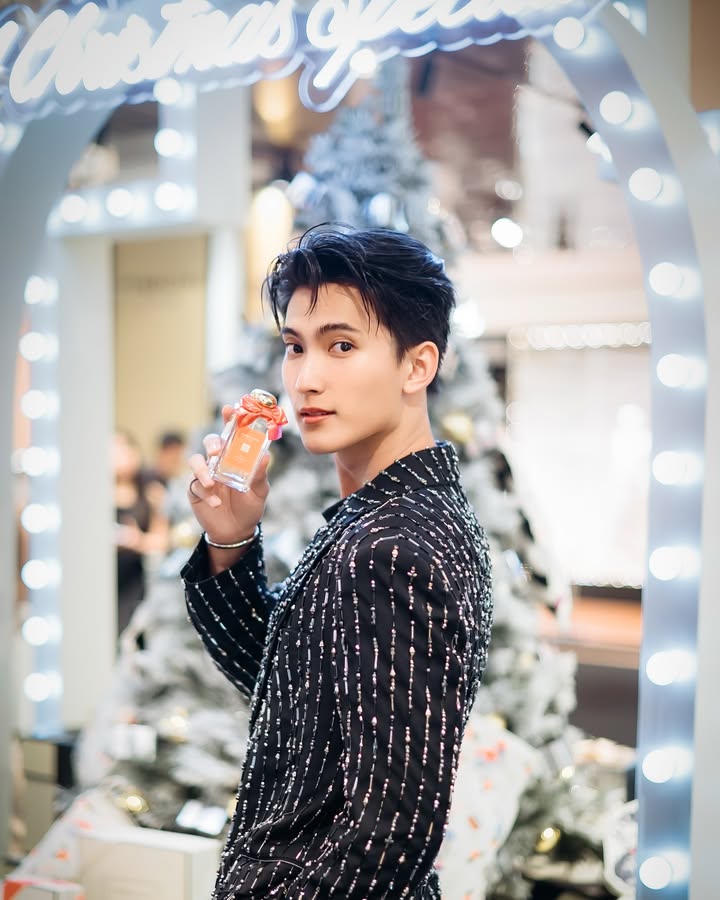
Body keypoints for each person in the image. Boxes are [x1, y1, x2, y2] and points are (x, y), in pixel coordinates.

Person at [182, 227, 493, 899]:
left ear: (417, 366)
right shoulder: (381, 518)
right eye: (295, 347)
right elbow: (292, 696)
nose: (306, 378)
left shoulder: (393, 545)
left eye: (341, 345)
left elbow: (391, 829)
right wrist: (231, 541)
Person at [113, 430, 169, 634]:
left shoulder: (152, 491)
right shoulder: (94, 495)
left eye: (126, 447)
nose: (122, 453)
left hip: (138, 578)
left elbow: (162, 541)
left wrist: (138, 541)